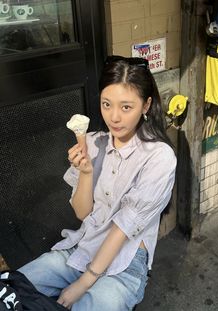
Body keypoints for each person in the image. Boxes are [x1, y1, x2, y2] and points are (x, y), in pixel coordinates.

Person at [18, 55, 177, 311]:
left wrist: (84, 282)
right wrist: (86, 172)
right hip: (85, 245)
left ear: (146, 106)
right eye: (106, 104)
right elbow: (82, 213)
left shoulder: (159, 157)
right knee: (15, 288)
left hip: (126, 260)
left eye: (126, 107)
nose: (114, 117)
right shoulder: (92, 142)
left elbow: (123, 229)